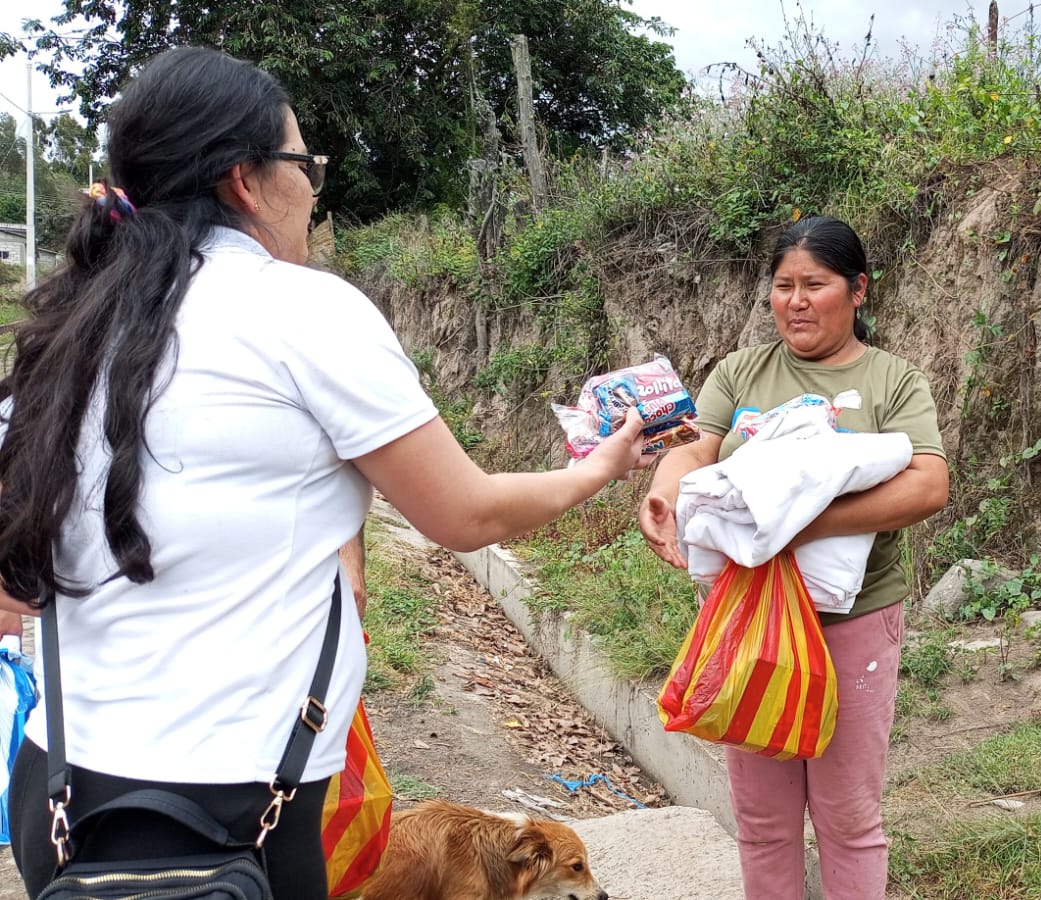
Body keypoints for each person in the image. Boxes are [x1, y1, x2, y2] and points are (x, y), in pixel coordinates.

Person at [0, 46, 644, 899]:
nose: (313, 189)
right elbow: (468, 514)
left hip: (57, 789)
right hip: (234, 808)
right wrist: (601, 468)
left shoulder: (67, 324)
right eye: (306, 165)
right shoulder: (303, 309)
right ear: (245, 179)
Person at [639, 215, 949, 900]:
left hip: (852, 625)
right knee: (762, 820)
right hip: (749, 624)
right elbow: (694, 448)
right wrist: (664, 494)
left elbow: (928, 483)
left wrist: (799, 526)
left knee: (848, 818)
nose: (797, 302)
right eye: (784, 286)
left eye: (816, 285)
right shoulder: (741, 371)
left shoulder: (892, 381)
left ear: (858, 290)